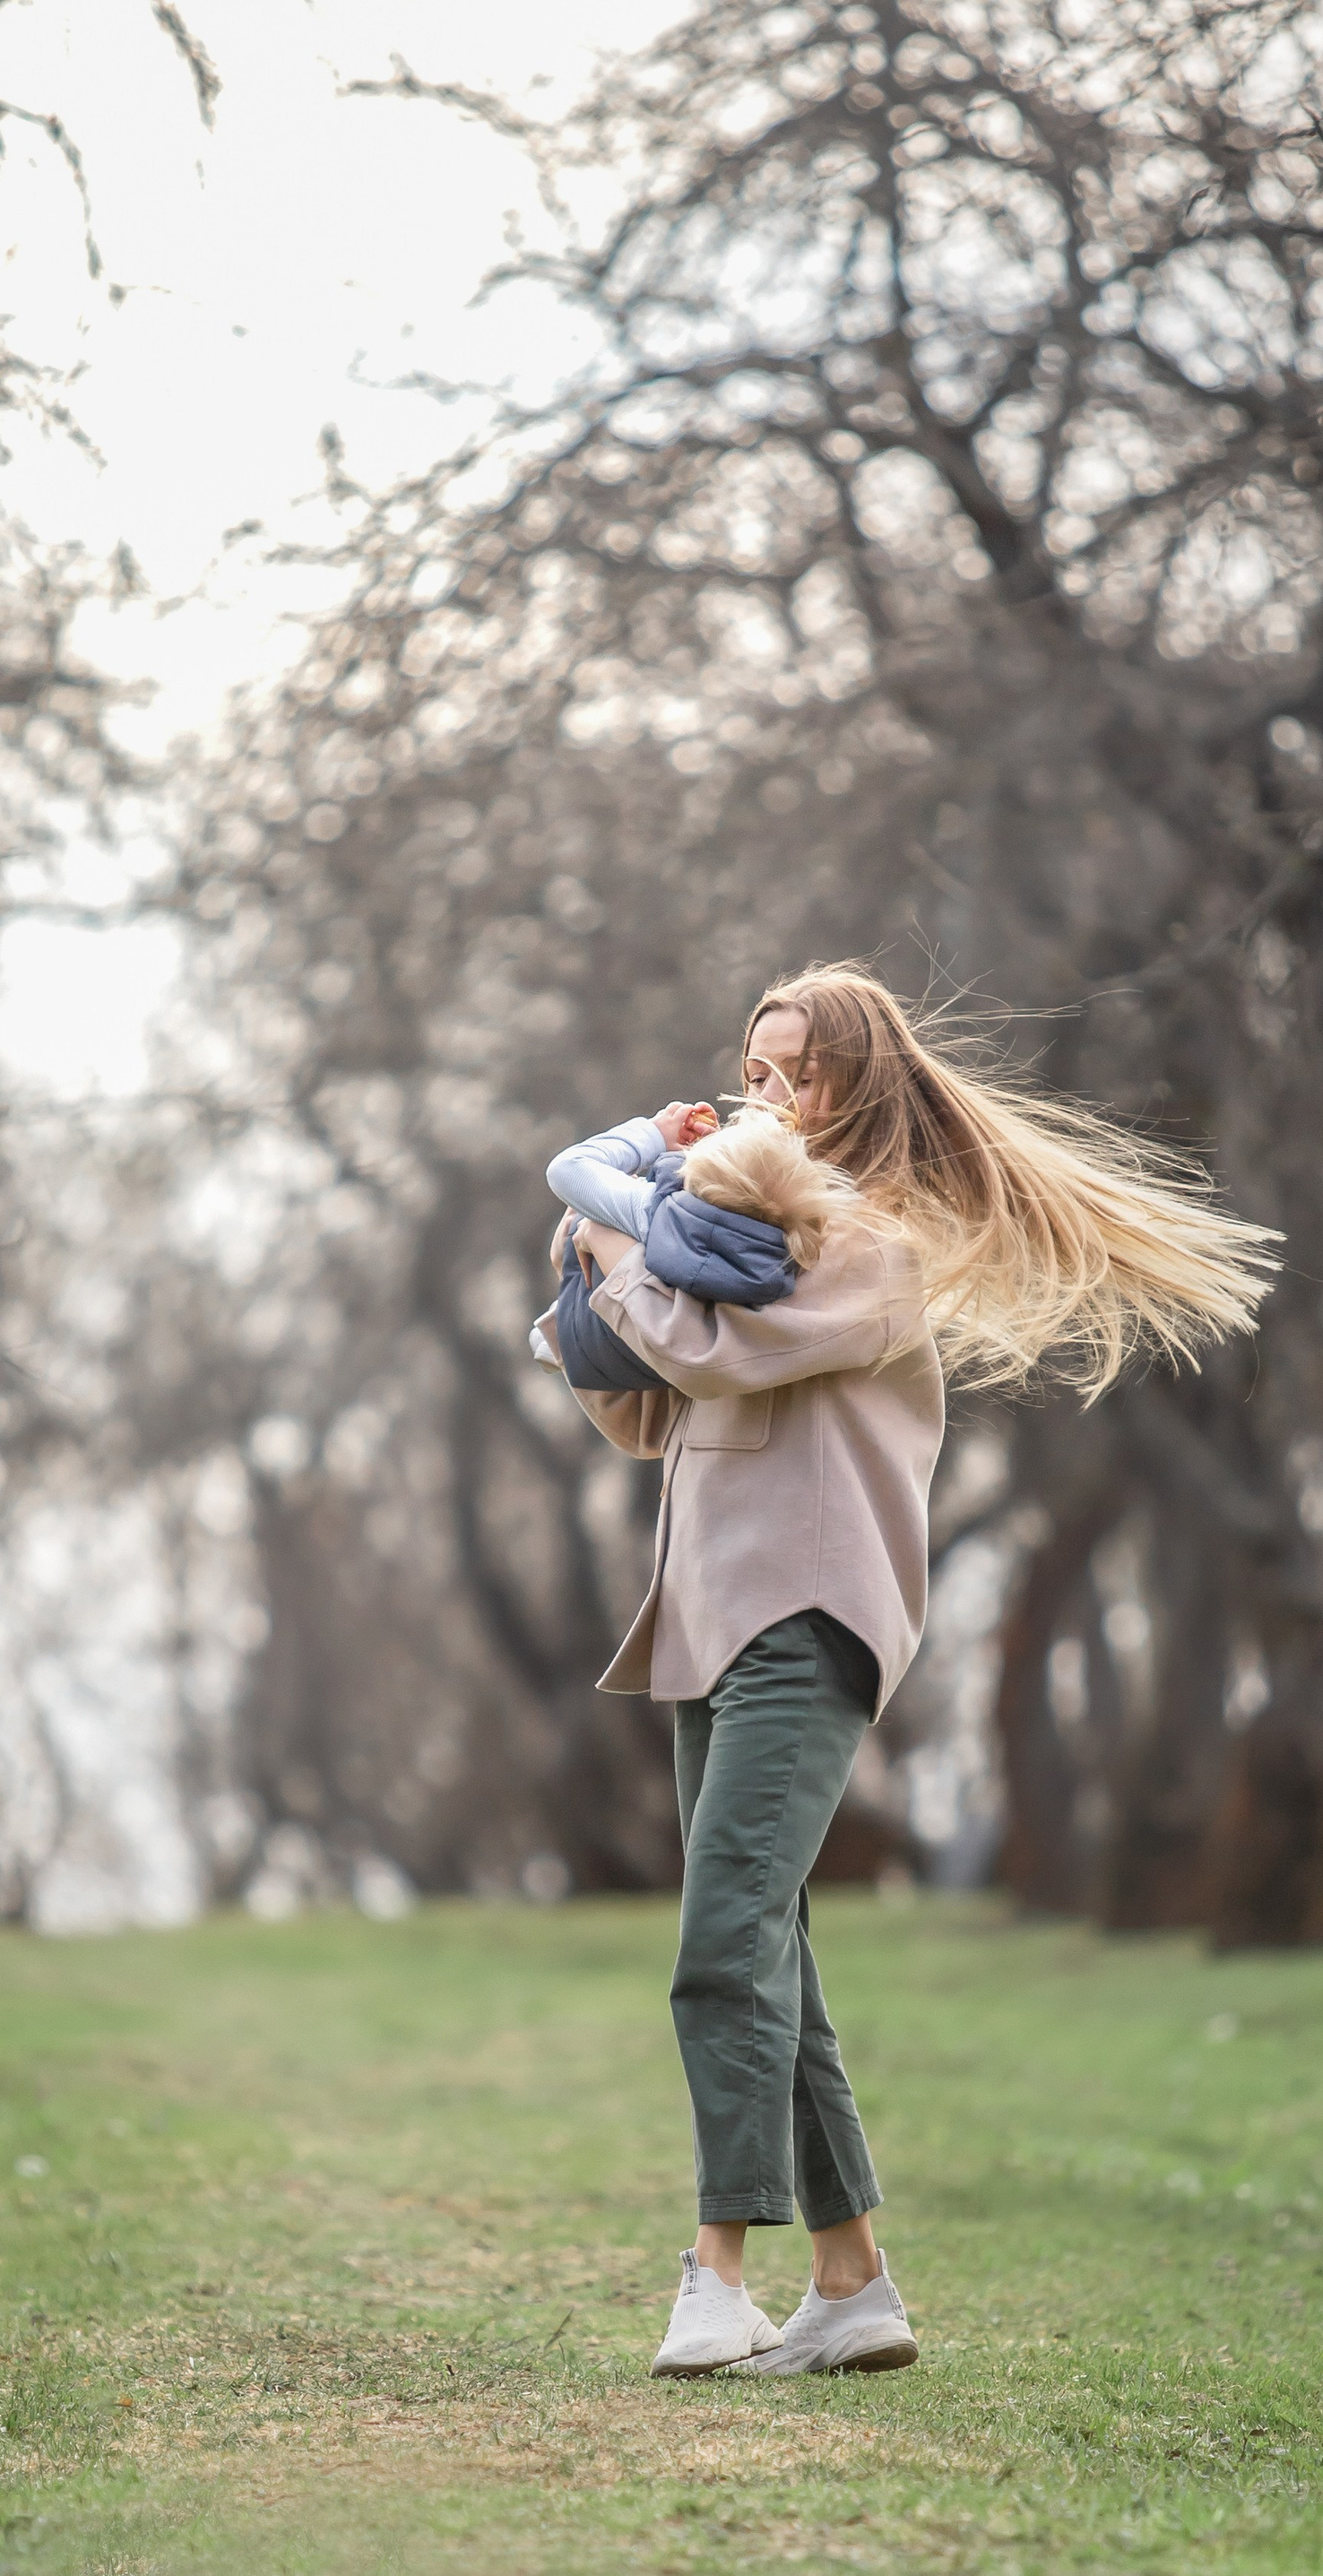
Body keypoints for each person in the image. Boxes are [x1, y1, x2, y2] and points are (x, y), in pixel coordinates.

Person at [545, 965, 1280, 2380]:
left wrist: (616, 1250)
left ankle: (715, 2274)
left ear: (860, 1085)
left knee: (721, 1941)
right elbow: (650, 1408)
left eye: (797, 1074)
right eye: (756, 1071)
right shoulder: (733, 1228)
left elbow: (719, 1353)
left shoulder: (870, 1240)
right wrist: (591, 1283)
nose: (769, 1097)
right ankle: (855, 2286)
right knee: (774, 1955)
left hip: (804, 1616)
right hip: (708, 1614)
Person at [530, 1101, 844, 1395]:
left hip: (591, 1338)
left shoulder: (658, 1213)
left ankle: (555, 1321)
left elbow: (567, 1168)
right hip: (652, 1368)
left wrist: (654, 1133)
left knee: (595, 1207)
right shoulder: (780, 1258)